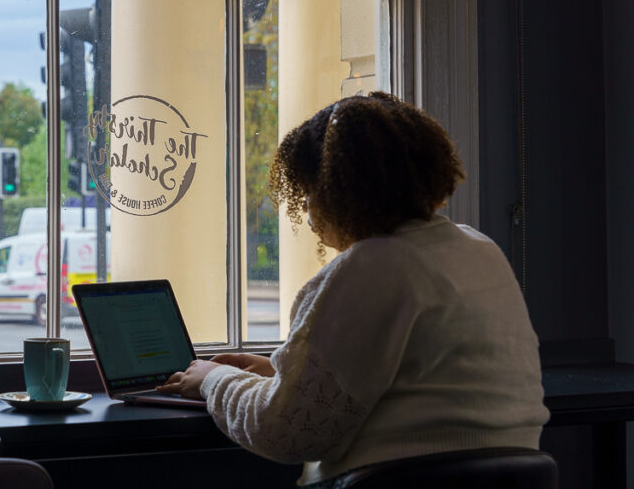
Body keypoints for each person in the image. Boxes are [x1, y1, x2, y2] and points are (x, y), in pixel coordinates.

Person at [157, 91, 549, 487]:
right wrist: (283, 376)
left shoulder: (372, 266)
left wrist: (211, 380)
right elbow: (414, 389)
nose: (307, 211)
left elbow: (284, 433)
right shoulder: (479, 250)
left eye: (309, 191)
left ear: (336, 191)